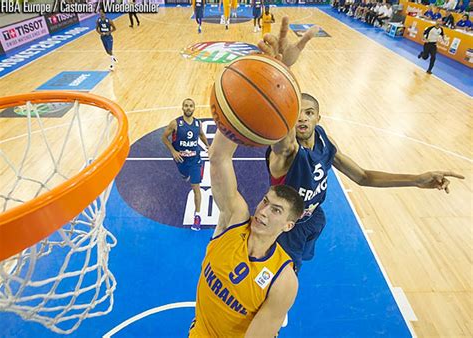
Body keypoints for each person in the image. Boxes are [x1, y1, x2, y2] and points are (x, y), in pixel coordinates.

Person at [258, 17, 464, 272]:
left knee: (298, 268)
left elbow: (363, 177)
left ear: (318, 118)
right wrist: (282, 70)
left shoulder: (323, 140)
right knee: (282, 282)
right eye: (297, 112)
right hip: (285, 228)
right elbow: (282, 131)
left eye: (309, 112)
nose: (302, 117)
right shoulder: (287, 152)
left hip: (313, 218)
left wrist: (417, 179)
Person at [188, 128, 304, 337]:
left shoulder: (283, 281)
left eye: (276, 210)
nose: (263, 212)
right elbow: (218, 158)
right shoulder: (235, 219)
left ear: (288, 225)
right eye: (265, 202)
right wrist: (235, 118)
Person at [161, 98, 210, 231]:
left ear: (194, 108)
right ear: (182, 108)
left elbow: (201, 135)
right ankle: (185, 175)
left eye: (191, 106)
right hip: (180, 160)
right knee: (184, 176)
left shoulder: (197, 123)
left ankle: (197, 216)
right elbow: (164, 137)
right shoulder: (175, 123)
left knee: (196, 187)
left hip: (195, 160)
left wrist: (207, 146)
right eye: (186, 106)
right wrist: (173, 151)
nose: (188, 108)